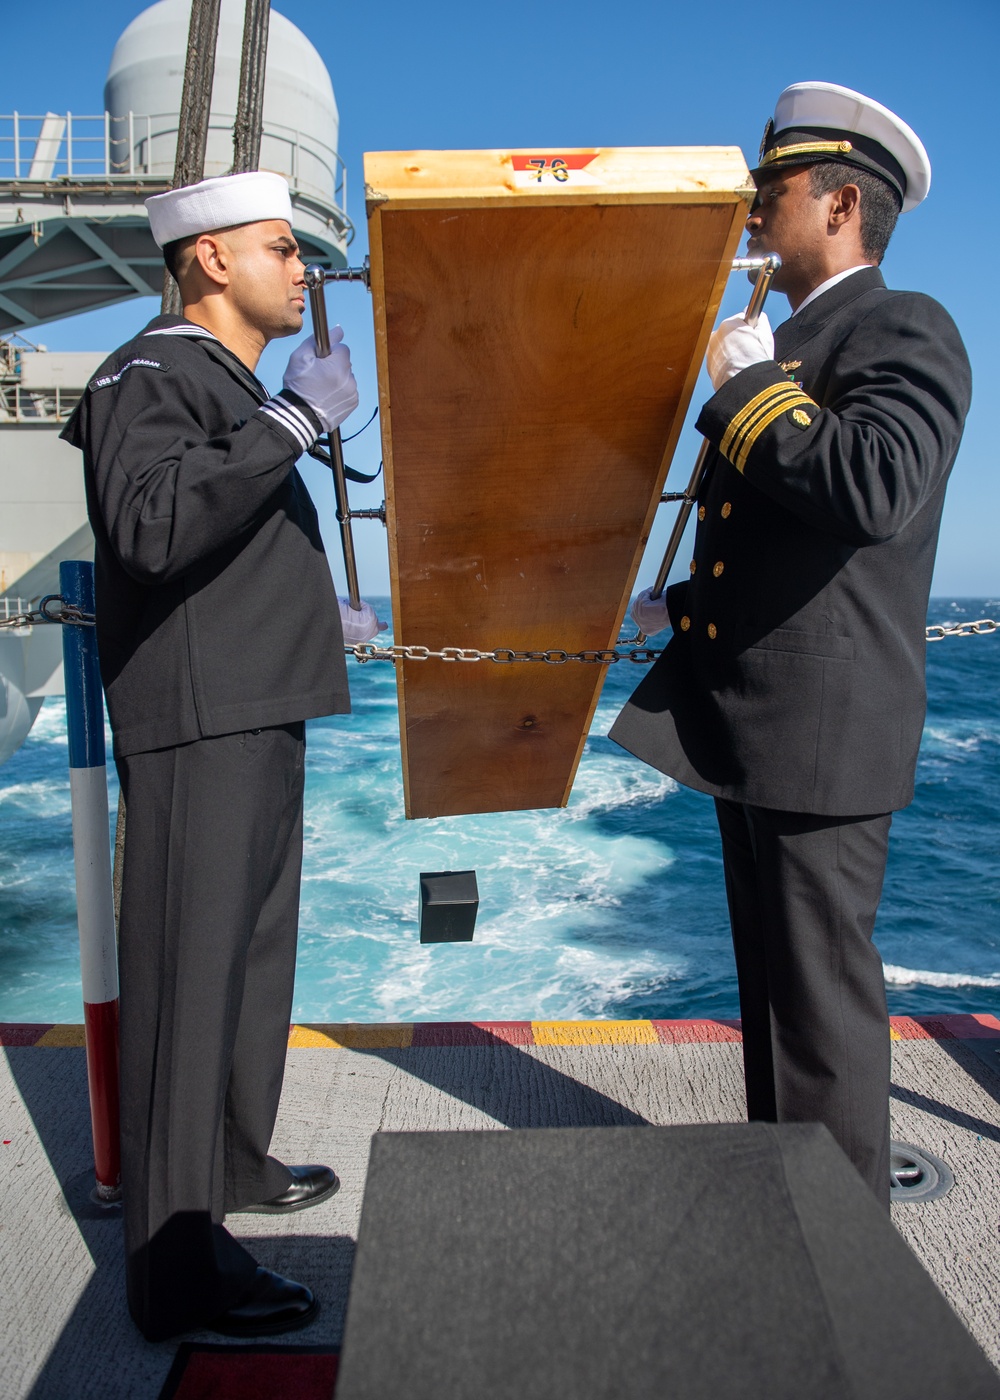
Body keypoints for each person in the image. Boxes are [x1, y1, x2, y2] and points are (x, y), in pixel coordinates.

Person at [610, 83, 972, 1207]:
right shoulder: (795, 335)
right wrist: (678, 603)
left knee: (820, 1011)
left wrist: (752, 386)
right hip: (759, 721)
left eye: (773, 189)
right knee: (773, 993)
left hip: (822, 733)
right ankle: (786, 1205)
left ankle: (841, 1243)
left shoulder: (900, 324)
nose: (755, 208)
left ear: (841, 202)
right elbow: (772, 543)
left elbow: (874, 488)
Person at [61, 171, 383, 1340]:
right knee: (187, 994)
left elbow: (225, 547)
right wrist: (293, 424)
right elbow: (152, 524)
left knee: (249, 969)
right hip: (200, 726)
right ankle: (175, 1272)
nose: (303, 269)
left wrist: (316, 613)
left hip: (255, 704)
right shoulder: (146, 371)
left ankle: (234, 1165)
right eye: (279, 249)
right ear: (209, 262)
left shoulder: (219, 383)